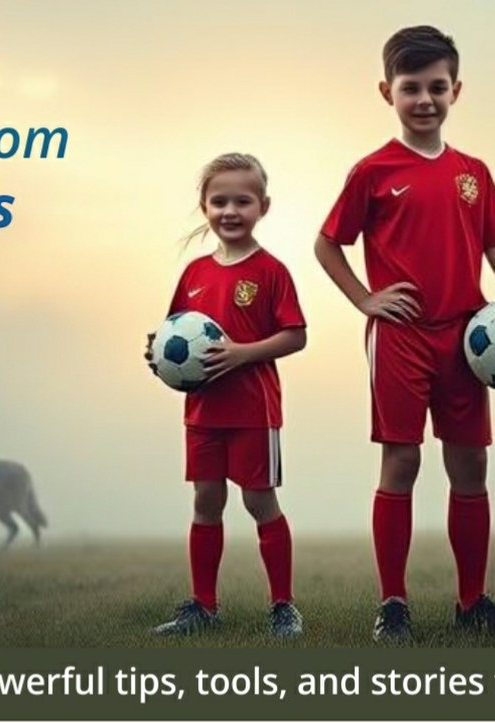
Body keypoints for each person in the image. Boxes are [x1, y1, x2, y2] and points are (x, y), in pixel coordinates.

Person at [314, 26, 495, 642]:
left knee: (470, 464)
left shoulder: (473, 172)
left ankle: (472, 603)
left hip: (467, 340)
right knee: (401, 459)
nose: (424, 99)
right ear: (387, 92)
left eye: (436, 87)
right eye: (410, 88)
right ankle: (393, 606)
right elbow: (327, 244)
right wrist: (366, 299)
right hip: (400, 337)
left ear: (456, 90)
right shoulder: (372, 171)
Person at [146, 153, 308, 638]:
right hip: (203, 413)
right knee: (206, 501)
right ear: (205, 207)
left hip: (253, 411)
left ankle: (283, 606)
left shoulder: (271, 271)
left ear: (263, 207)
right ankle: (203, 606)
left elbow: (295, 336)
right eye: (219, 202)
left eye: (242, 201)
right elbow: (176, 334)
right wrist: (158, 354)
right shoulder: (194, 273)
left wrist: (242, 354)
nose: (230, 211)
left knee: (259, 501)